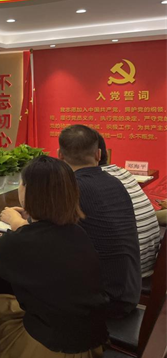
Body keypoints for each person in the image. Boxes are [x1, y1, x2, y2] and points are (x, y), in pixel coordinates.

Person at [0, 156, 108, 358]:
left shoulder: (24, 240)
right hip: (89, 345)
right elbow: (6, 248)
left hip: (51, 350)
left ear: (28, 191)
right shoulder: (75, 232)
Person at [58, 124, 141, 318]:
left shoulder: (71, 188)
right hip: (128, 292)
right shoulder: (114, 182)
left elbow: (38, 233)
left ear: (60, 156)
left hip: (103, 302)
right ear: (99, 154)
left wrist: (15, 219)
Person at [96, 133, 161, 278]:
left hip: (124, 276)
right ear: (102, 154)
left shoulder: (89, 184)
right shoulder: (125, 174)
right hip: (146, 265)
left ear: (61, 155)